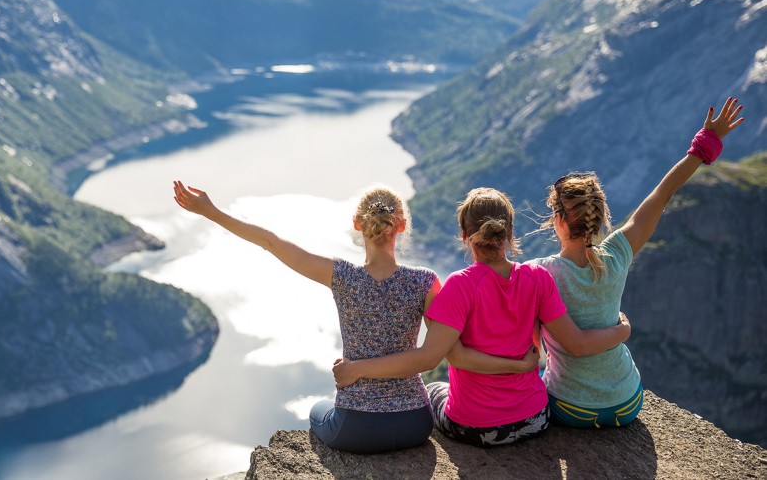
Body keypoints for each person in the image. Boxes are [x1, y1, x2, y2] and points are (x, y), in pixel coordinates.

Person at [173, 182, 526, 453]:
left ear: (357, 224)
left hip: (356, 428)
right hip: (416, 423)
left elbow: (271, 242)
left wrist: (211, 212)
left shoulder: (342, 276)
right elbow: (434, 354)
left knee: (318, 410)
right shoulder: (425, 280)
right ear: (401, 225)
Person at [333, 187, 632, 447]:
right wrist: (619, 331)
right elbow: (573, 340)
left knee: (435, 390)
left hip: (476, 427)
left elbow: (453, 357)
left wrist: (357, 369)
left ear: (464, 235)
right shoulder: (537, 277)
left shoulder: (460, 285)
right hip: (535, 418)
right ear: (510, 233)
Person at [533, 97, 745, 428]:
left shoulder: (542, 272)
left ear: (558, 220)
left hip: (573, 408)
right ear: (600, 217)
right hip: (628, 401)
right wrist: (706, 143)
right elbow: (661, 195)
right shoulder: (618, 251)